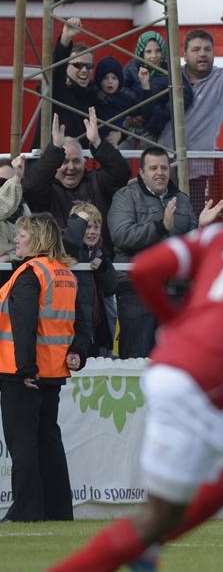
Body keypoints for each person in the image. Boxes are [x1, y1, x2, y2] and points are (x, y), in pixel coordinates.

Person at [51, 190, 223, 571]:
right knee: (155, 517)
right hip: (196, 384)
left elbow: (148, 268)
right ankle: (132, 547)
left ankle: (147, 544)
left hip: (180, 368)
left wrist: (173, 319)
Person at [0, 213, 85, 522]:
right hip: (52, 373)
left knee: (22, 444)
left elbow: (23, 325)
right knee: (48, 442)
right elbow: (80, 324)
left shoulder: (29, 274)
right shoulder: (64, 274)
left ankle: (25, 510)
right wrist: (78, 352)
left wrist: (24, 369)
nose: (16, 239)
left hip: (23, 374)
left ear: (35, 239)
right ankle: (58, 509)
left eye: (22, 235)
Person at [108, 146, 223, 358]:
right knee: (136, 357)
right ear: (141, 173)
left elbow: (190, 248)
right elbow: (121, 236)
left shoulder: (182, 200)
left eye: (163, 167)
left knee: (175, 357)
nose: (159, 172)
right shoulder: (124, 197)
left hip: (175, 292)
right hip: (136, 291)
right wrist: (161, 226)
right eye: (153, 168)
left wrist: (201, 228)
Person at [159, 10, 223, 213]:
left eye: (207, 49)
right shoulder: (169, 78)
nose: (202, 53)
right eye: (196, 49)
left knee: (191, 225)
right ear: (184, 54)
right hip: (160, 166)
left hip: (196, 171)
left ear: (213, 53)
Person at [23, 111, 131, 256]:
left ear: (85, 162)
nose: (71, 167)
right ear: (55, 163)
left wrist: (97, 143)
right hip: (59, 263)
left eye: (76, 161)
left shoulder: (96, 181)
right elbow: (31, 186)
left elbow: (121, 172)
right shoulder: (47, 189)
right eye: (64, 162)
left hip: (99, 263)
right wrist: (54, 150)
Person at [63, 203, 118, 358]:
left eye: (96, 227)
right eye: (87, 227)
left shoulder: (101, 253)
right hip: (74, 333)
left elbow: (111, 287)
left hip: (99, 332)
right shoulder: (68, 252)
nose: (93, 232)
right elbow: (69, 243)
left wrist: (104, 269)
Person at [35, 17, 97, 149]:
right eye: (78, 65)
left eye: (89, 66)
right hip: (52, 163)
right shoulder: (58, 91)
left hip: (80, 163)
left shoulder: (94, 95)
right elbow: (55, 73)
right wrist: (65, 39)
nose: (84, 70)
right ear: (66, 67)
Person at [94, 56, 147, 147]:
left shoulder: (125, 99)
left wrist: (146, 87)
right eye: (105, 78)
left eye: (114, 78)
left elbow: (142, 113)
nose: (110, 81)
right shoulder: (93, 97)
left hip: (120, 141)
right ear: (99, 80)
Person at [0, 156, 26, 264]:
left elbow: (32, 248)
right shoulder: (5, 206)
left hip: (15, 272)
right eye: (1, 182)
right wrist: (16, 178)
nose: (4, 187)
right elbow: (5, 205)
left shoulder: (24, 210)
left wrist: (9, 257)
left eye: (8, 182)